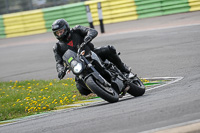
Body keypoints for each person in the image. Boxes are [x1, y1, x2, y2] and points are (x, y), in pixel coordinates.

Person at [52, 19, 131, 95]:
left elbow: (92, 31)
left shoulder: (77, 30)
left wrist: (88, 36)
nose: (59, 34)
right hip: (78, 64)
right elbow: (59, 62)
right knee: (81, 89)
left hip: (91, 53)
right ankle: (100, 89)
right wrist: (61, 70)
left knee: (109, 49)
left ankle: (123, 69)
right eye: (57, 33)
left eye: (61, 31)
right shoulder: (57, 47)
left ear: (66, 28)